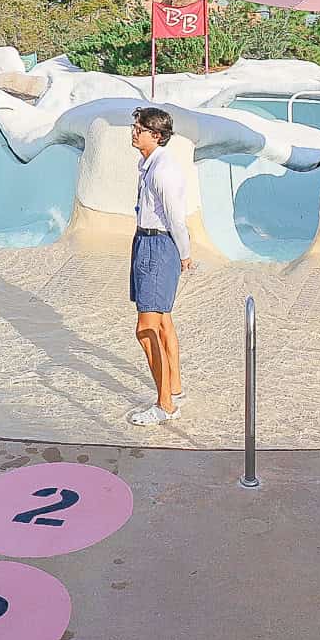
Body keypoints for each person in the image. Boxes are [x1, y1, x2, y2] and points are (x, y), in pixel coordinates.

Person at [126, 106, 192, 426]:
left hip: (157, 245)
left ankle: (165, 405)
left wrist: (184, 254)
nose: (134, 131)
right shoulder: (148, 164)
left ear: (156, 134)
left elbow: (176, 218)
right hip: (147, 242)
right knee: (163, 320)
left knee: (145, 329)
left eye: (139, 128)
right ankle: (174, 387)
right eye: (134, 126)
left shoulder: (162, 170)